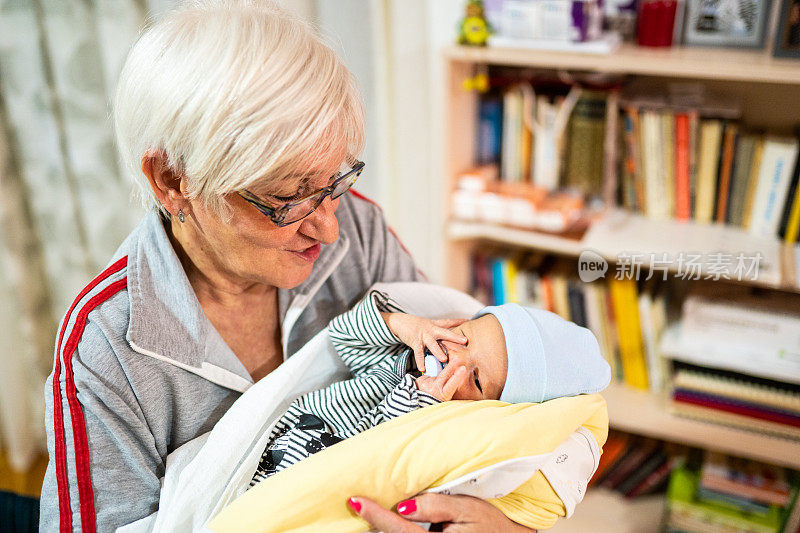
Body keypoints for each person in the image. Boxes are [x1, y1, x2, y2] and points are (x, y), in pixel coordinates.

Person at [39, 1, 542, 532]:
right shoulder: (108, 346)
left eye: (334, 183)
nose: (328, 228)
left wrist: (504, 523)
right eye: (288, 198)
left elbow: (477, 401)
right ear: (172, 179)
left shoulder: (359, 233)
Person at [249, 290, 611, 486]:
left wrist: (419, 401)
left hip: (319, 472)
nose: (455, 362)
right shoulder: (405, 354)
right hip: (285, 435)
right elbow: (342, 338)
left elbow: (374, 452)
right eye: (465, 339)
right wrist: (400, 325)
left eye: (477, 380)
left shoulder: (445, 425)